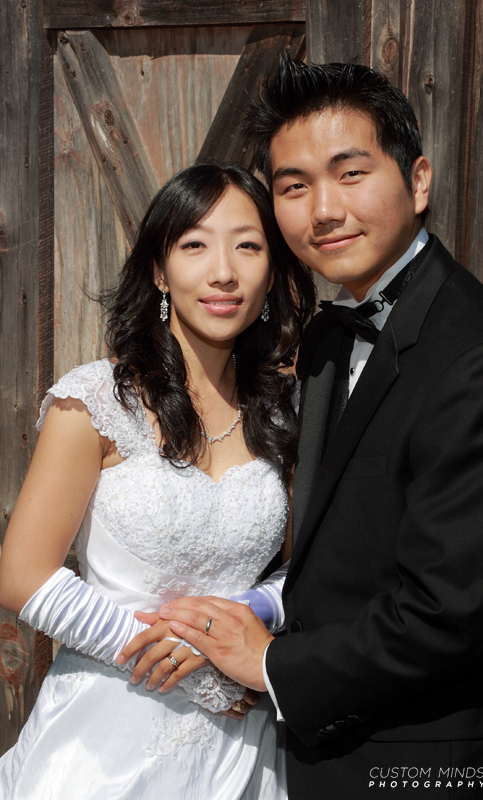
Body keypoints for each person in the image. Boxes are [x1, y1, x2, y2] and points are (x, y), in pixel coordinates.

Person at [149, 59, 483, 798]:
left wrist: (267, 663)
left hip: (429, 759)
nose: (322, 209)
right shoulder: (328, 335)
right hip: (312, 748)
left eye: (349, 172)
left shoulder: (480, 357)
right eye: (293, 186)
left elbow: (448, 612)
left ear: (416, 181)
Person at [0, 161, 315, 799]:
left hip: (241, 739)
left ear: (274, 271)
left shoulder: (289, 412)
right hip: (103, 740)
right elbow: (22, 576)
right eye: (194, 245)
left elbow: (308, 567)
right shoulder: (93, 403)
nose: (223, 271)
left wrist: (252, 619)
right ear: (158, 269)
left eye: (248, 246)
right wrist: (177, 662)